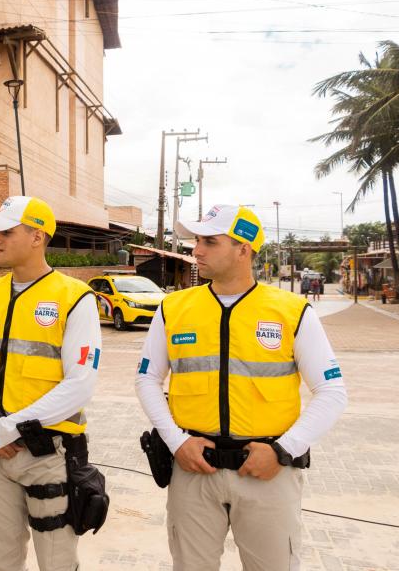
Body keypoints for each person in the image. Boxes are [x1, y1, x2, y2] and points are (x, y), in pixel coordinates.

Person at [135, 204, 347, 571]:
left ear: (243, 249)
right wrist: (176, 441)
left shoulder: (292, 312)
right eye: (196, 241)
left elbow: (331, 393)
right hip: (193, 471)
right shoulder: (173, 308)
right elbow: (147, 379)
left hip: (267, 473)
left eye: (209, 241)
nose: (196, 250)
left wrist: (282, 450)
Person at [0, 196, 104, 571]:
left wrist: (5, 429)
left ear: (38, 236)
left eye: (7, 231)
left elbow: (80, 384)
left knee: (56, 562)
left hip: (48, 455)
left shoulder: (74, 297)